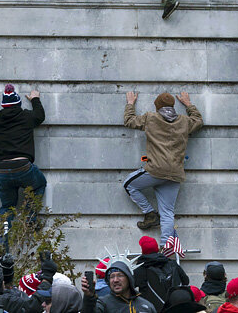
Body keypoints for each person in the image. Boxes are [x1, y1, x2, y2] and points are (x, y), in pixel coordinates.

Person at [123, 91, 203, 241]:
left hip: (155, 170)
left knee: (129, 184)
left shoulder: (150, 118)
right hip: (175, 174)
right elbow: (198, 120)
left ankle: (150, 214)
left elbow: (129, 120)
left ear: (157, 107)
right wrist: (188, 104)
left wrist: (130, 103)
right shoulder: (184, 121)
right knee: (167, 213)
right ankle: (166, 247)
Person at [0, 84, 47, 243]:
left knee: (7, 208)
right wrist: (35, 99)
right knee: (40, 184)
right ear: (18, 104)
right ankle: (30, 217)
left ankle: (2, 248)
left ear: (3, 105)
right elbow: (40, 115)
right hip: (23, 167)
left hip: (2, 171)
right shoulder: (27, 117)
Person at [132, 236, 189, 310]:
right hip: (174, 308)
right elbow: (186, 281)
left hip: (152, 309)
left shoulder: (140, 270)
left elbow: (129, 288)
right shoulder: (172, 264)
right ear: (157, 249)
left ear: (143, 251)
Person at [80, 260, 157, 313]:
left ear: (129, 278)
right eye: (112, 277)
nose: (115, 280)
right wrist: (89, 296)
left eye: (120, 275)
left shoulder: (146, 306)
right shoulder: (103, 304)